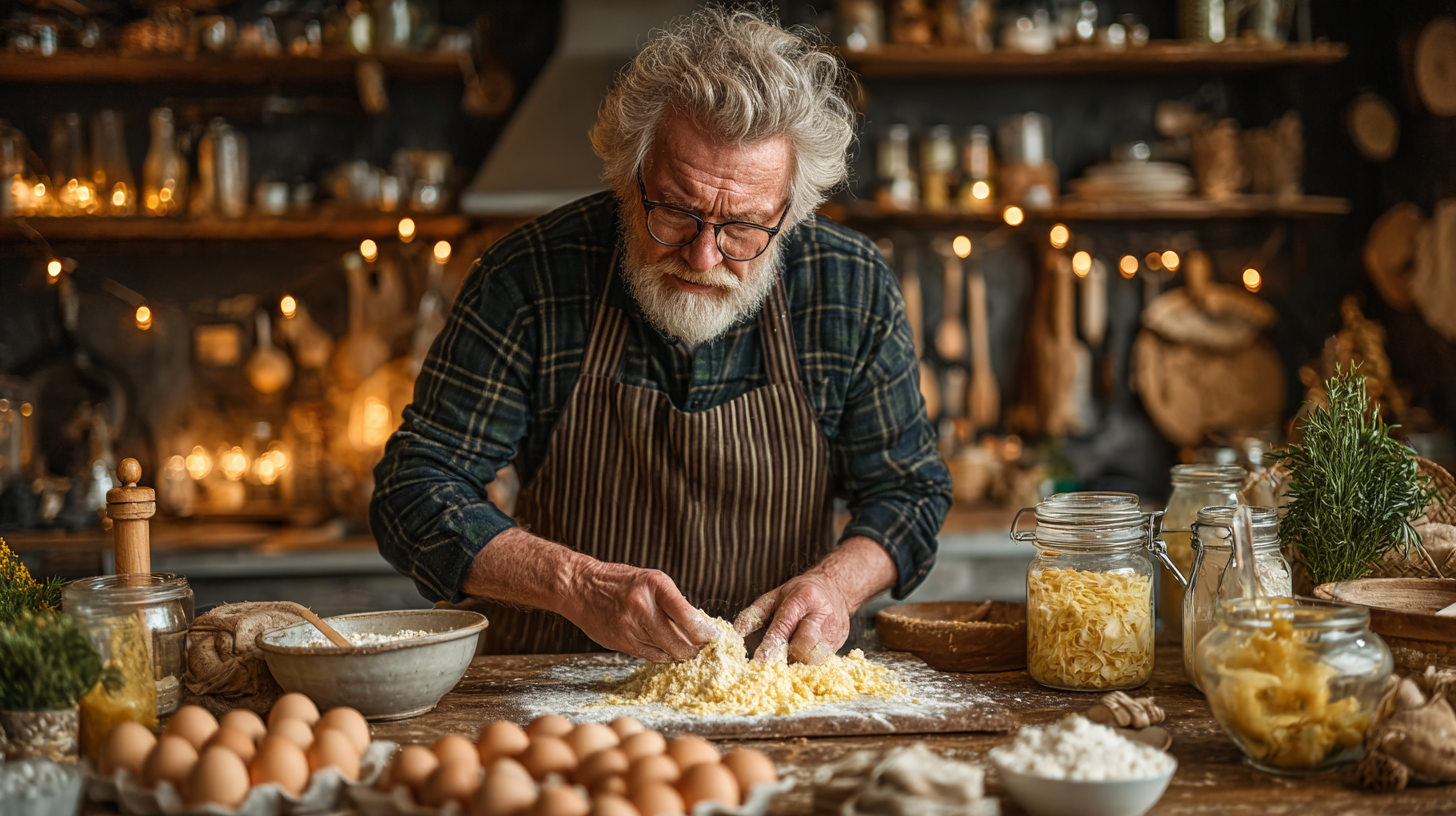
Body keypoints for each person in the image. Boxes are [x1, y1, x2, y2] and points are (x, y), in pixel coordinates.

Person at [371, 8, 951, 665]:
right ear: (628, 178)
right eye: (675, 211)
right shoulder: (529, 276)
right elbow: (413, 490)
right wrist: (576, 585)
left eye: (743, 227)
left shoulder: (849, 287)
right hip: (561, 691)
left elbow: (908, 493)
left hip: (772, 694)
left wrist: (837, 585)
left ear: (792, 213)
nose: (704, 257)